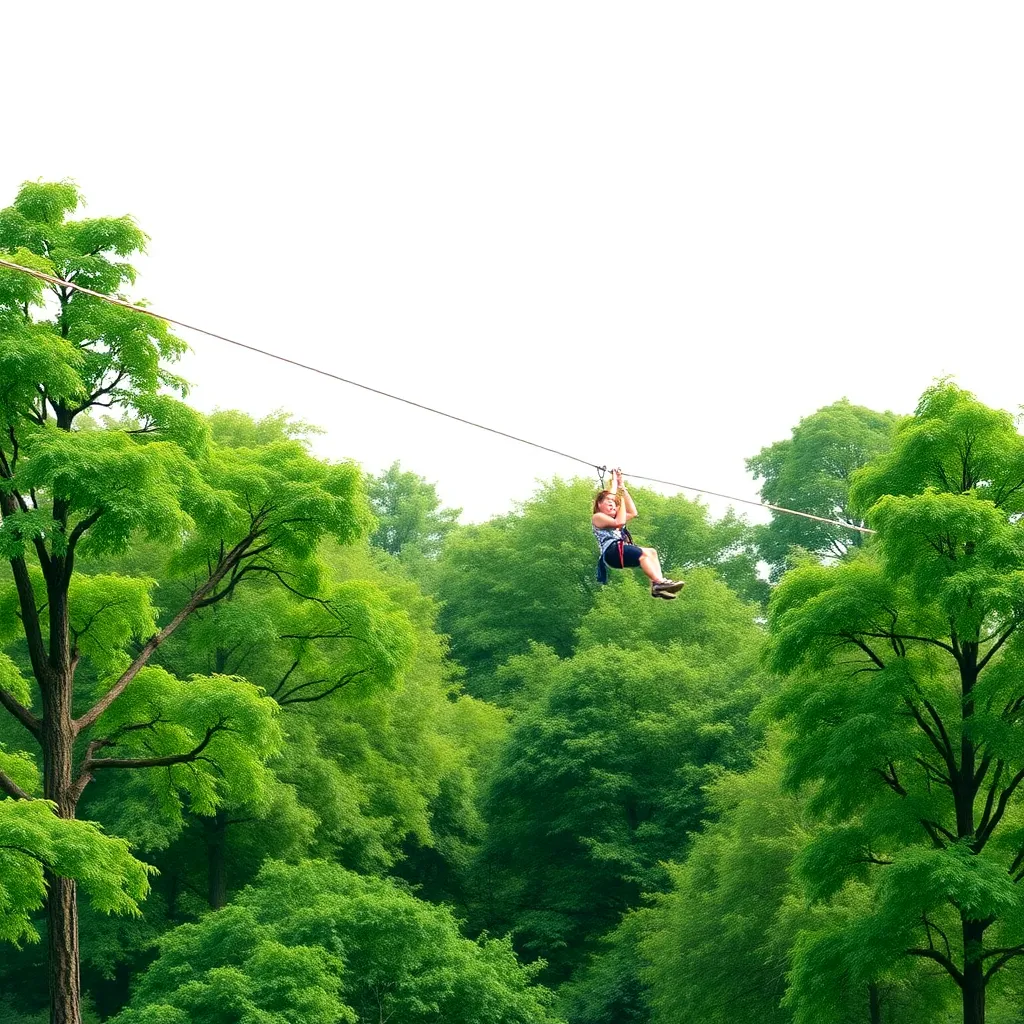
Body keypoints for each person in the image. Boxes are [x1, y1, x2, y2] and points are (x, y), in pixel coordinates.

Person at [592, 469, 684, 599]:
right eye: (609, 504)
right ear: (599, 504)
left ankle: (658, 584)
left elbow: (633, 512)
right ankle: (658, 583)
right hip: (612, 552)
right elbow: (619, 521)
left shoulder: (614, 518)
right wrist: (620, 499)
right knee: (643, 556)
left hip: (618, 552)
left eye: (614, 505)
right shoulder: (598, 517)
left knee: (651, 552)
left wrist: (621, 486)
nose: (613, 506)